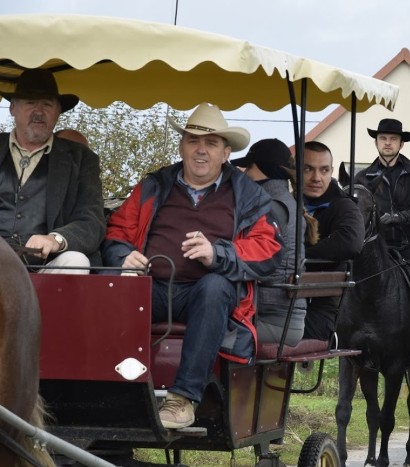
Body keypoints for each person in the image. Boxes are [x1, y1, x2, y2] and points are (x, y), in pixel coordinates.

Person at [102, 103, 284, 429]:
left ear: (226, 152)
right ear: (181, 146)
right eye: (192, 141)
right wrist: (122, 256)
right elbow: (117, 231)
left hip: (208, 297)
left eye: (211, 143)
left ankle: (182, 400)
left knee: (214, 285)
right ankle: (112, 393)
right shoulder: (153, 186)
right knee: (117, 287)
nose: (201, 150)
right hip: (152, 287)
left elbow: (269, 249)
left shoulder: (249, 196)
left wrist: (217, 255)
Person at [0, 68, 104, 273]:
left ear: (58, 112)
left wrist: (55, 240)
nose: (38, 112)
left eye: (47, 104)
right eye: (30, 103)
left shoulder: (81, 159)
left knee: (76, 261)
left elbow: (92, 220)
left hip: (47, 266)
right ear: (12, 108)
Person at [231, 138, 305, 347]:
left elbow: (253, 258)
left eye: (250, 168)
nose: (244, 174)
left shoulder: (270, 207)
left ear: (265, 170)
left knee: (203, 329)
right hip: (283, 313)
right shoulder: (285, 200)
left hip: (273, 319)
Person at [353, 118, 410, 280]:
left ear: (401, 144)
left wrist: (399, 217)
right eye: (383, 138)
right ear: (376, 143)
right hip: (375, 246)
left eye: (393, 139)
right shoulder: (362, 178)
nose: (387, 143)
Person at [301, 141, 365, 341]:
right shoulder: (288, 202)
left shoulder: (344, 206)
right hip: (281, 297)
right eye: (308, 169)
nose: (316, 178)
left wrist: (298, 255)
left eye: (324, 170)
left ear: (331, 172)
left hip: (322, 304)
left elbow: (350, 242)